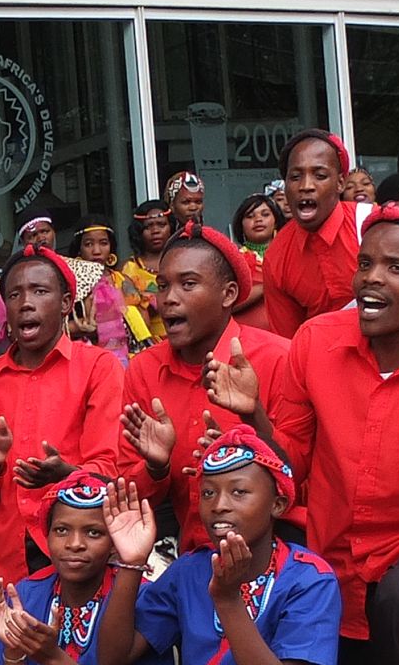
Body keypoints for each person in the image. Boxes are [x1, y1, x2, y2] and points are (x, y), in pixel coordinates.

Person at [207, 202, 399, 665]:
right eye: (365, 263)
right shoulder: (315, 341)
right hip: (339, 552)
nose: (372, 279)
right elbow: (293, 466)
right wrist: (254, 415)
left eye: (396, 268)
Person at [95, 429, 342, 665]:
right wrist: (131, 564)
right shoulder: (191, 570)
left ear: (278, 504)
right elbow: (113, 659)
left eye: (239, 492)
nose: (219, 505)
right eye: (208, 493)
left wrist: (227, 599)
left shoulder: (309, 579)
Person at [116, 223, 303, 554]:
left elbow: (299, 475)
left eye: (188, 284)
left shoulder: (280, 357)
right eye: (162, 286)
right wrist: (156, 467)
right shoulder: (144, 369)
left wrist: (252, 426)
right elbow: (130, 498)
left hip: (277, 553)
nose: (169, 299)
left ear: (228, 294)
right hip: (191, 555)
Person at [0, 246, 122, 581]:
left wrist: (67, 475)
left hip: (74, 553)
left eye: (39, 291)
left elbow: (108, 467)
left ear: (65, 303)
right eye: (14, 294)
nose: (25, 303)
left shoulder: (98, 367)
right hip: (3, 558)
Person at [0, 473, 173, 665]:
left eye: (93, 533)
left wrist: (51, 656)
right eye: (61, 530)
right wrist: (14, 651)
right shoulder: (27, 593)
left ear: (115, 541)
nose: (75, 544)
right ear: (47, 536)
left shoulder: (140, 596)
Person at [263, 130, 362, 337]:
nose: (306, 186)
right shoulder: (276, 258)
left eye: (320, 176)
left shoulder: (371, 226)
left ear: (340, 183)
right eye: (295, 177)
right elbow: (289, 343)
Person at [13, 214, 128, 360]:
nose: (96, 251)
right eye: (88, 244)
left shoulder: (121, 279)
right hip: (72, 355)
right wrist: (76, 327)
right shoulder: (66, 279)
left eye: (103, 243)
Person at [229, 195, 284, 332]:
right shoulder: (232, 260)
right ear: (241, 225)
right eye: (250, 216)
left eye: (265, 214)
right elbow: (224, 304)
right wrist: (266, 286)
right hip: (245, 337)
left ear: (276, 222)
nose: (258, 219)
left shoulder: (289, 254)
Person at [120, 202, 172, 343]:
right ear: (138, 232)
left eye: (161, 224)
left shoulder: (182, 260)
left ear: (171, 227)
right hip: (148, 343)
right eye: (148, 226)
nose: (155, 231)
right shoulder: (129, 269)